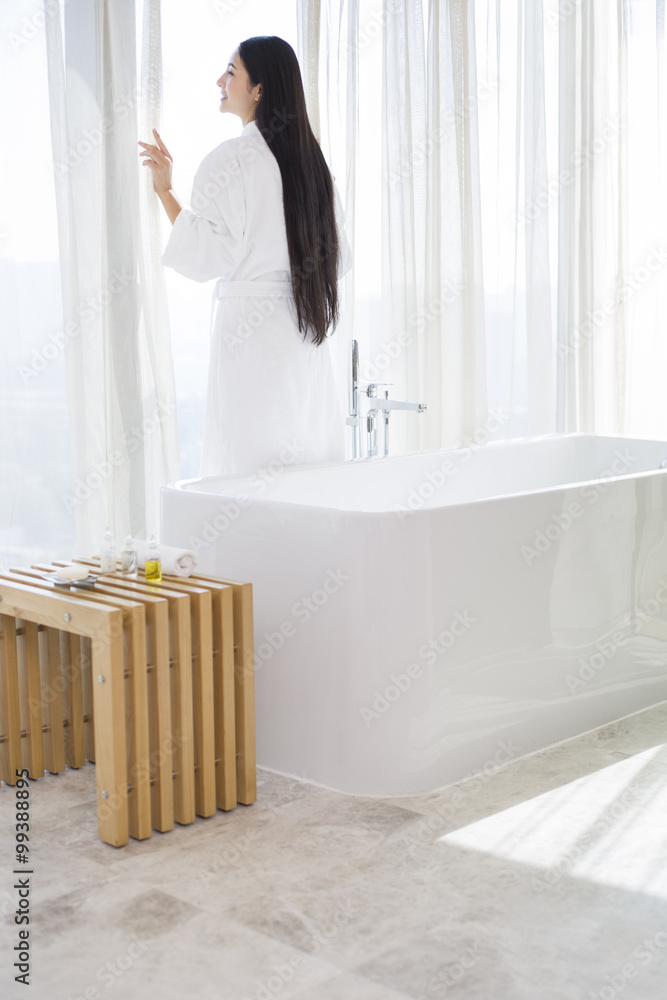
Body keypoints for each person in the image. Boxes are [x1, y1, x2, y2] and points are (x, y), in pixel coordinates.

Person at [138, 35, 353, 478]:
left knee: (246, 482)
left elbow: (210, 254)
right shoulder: (314, 165)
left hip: (251, 341)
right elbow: (339, 258)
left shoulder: (231, 160)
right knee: (307, 479)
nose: (221, 80)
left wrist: (164, 190)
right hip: (304, 334)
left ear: (259, 89)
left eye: (232, 72)